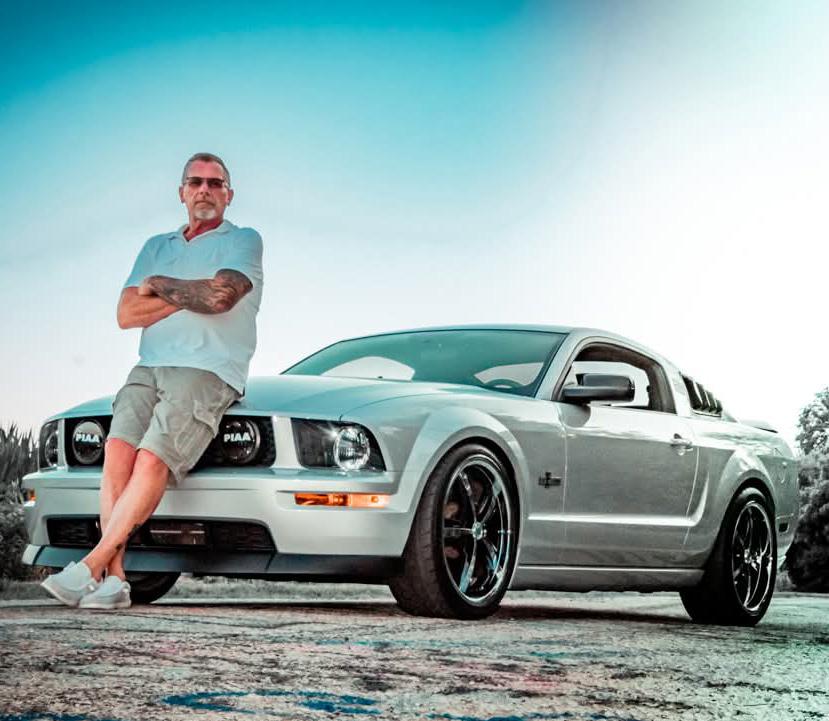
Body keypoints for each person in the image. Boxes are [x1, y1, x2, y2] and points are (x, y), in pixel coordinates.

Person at [41, 152, 264, 610]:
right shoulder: (156, 245)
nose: (205, 190)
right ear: (182, 192)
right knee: (117, 455)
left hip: (207, 369)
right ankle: (117, 580)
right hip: (148, 366)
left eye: (215, 183)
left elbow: (221, 297)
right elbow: (127, 314)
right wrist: (190, 291)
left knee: (152, 456)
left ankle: (91, 566)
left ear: (229, 194)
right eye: (195, 182)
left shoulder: (242, 240)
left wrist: (158, 284)